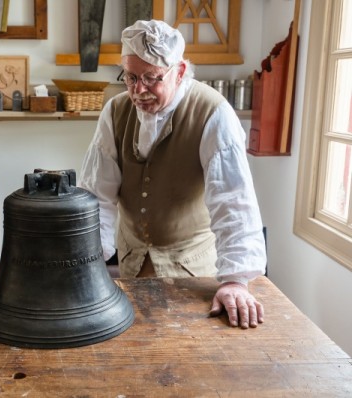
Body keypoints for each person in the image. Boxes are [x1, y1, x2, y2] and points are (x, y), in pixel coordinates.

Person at [80, 20, 267, 329]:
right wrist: (90, 261)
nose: (138, 90)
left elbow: (233, 200)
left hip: (193, 273)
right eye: (130, 77)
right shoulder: (115, 112)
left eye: (151, 78)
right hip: (132, 263)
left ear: (179, 72)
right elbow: (97, 194)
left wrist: (235, 279)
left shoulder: (213, 113)